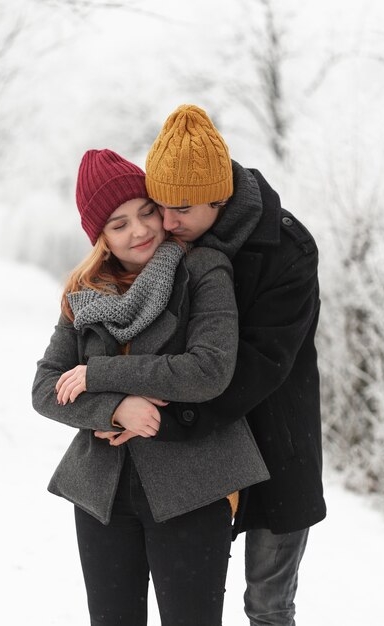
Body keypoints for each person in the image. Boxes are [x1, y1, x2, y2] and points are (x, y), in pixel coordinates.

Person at [104, 105, 327, 626]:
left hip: (272, 444)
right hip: (195, 457)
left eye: (182, 207)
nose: (168, 220)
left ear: (220, 196)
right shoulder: (168, 244)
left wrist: (166, 419)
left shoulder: (287, 250)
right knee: (190, 605)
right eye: (160, 204)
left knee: (268, 606)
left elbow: (262, 363)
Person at [32, 148, 269, 626]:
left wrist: (102, 375)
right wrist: (116, 410)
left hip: (192, 486)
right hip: (103, 492)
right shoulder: (86, 291)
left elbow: (209, 369)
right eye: (119, 225)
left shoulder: (202, 269)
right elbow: (45, 387)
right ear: (100, 236)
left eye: (145, 212)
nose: (139, 230)